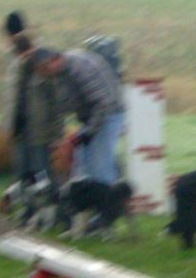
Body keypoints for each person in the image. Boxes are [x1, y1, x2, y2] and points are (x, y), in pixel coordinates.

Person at [29, 46, 125, 184]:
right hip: (90, 118)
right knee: (82, 168)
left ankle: (106, 195)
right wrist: (59, 136)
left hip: (108, 115)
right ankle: (91, 195)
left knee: (99, 168)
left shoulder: (80, 68)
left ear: (55, 59)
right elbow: (62, 105)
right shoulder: (59, 73)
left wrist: (87, 134)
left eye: (45, 69)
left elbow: (103, 103)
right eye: (41, 72)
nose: (45, 75)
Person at [0, 13, 64, 181]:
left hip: (39, 131)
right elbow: (11, 97)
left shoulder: (44, 62)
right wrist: (7, 126)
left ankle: (49, 197)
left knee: (42, 172)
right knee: (22, 173)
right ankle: (27, 197)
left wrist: (57, 135)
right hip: (20, 129)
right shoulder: (14, 59)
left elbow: (55, 102)